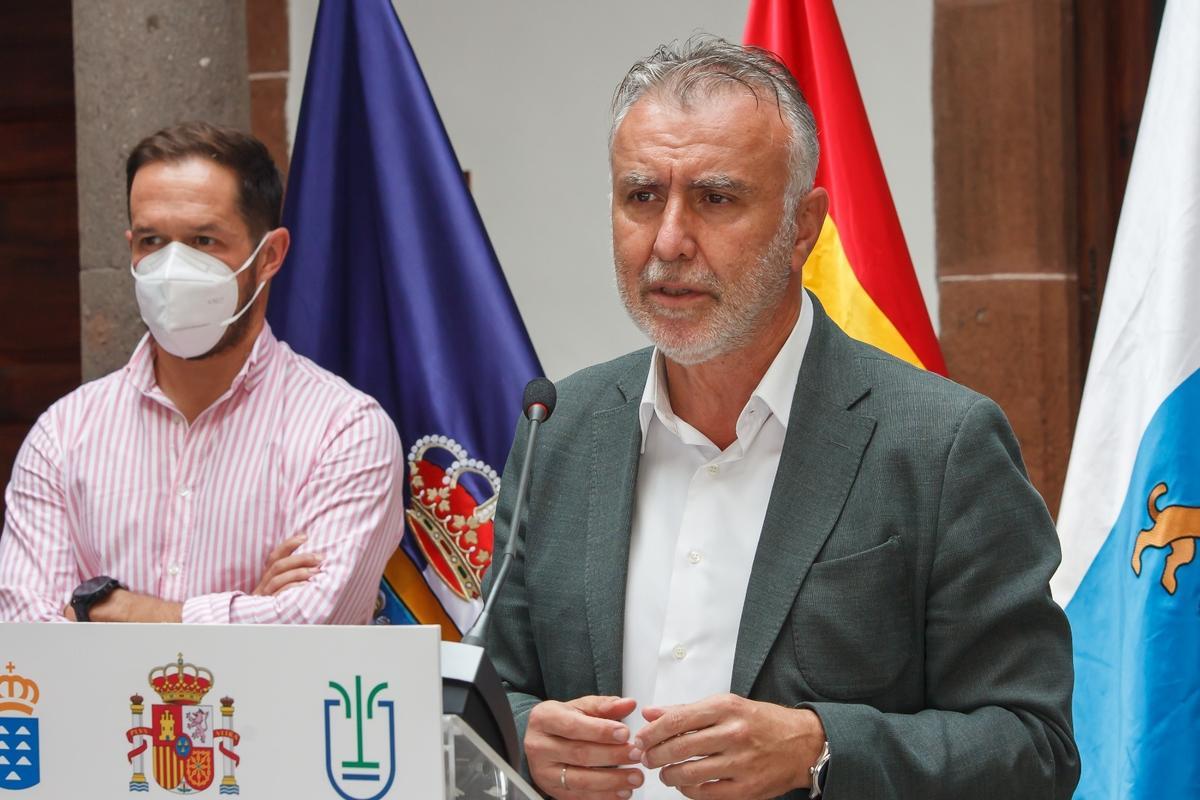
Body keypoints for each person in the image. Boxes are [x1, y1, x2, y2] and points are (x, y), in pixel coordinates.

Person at [484, 37, 1079, 799]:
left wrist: (822, 747)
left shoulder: (940, 445)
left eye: (715, 198)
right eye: (641, 197)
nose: (668, 241)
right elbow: (495, 695)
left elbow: (1034, 748)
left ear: (804, 226)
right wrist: (523, 734)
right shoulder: (559, 430)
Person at [0, 122, 403, 625]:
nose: (172, 267)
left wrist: (111, 609)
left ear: (270, 255)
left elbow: (309, 628)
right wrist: (243, 617)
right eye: (151, 241)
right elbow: (25, 631)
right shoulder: (62, 434)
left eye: (204, 240)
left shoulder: (344, 430)